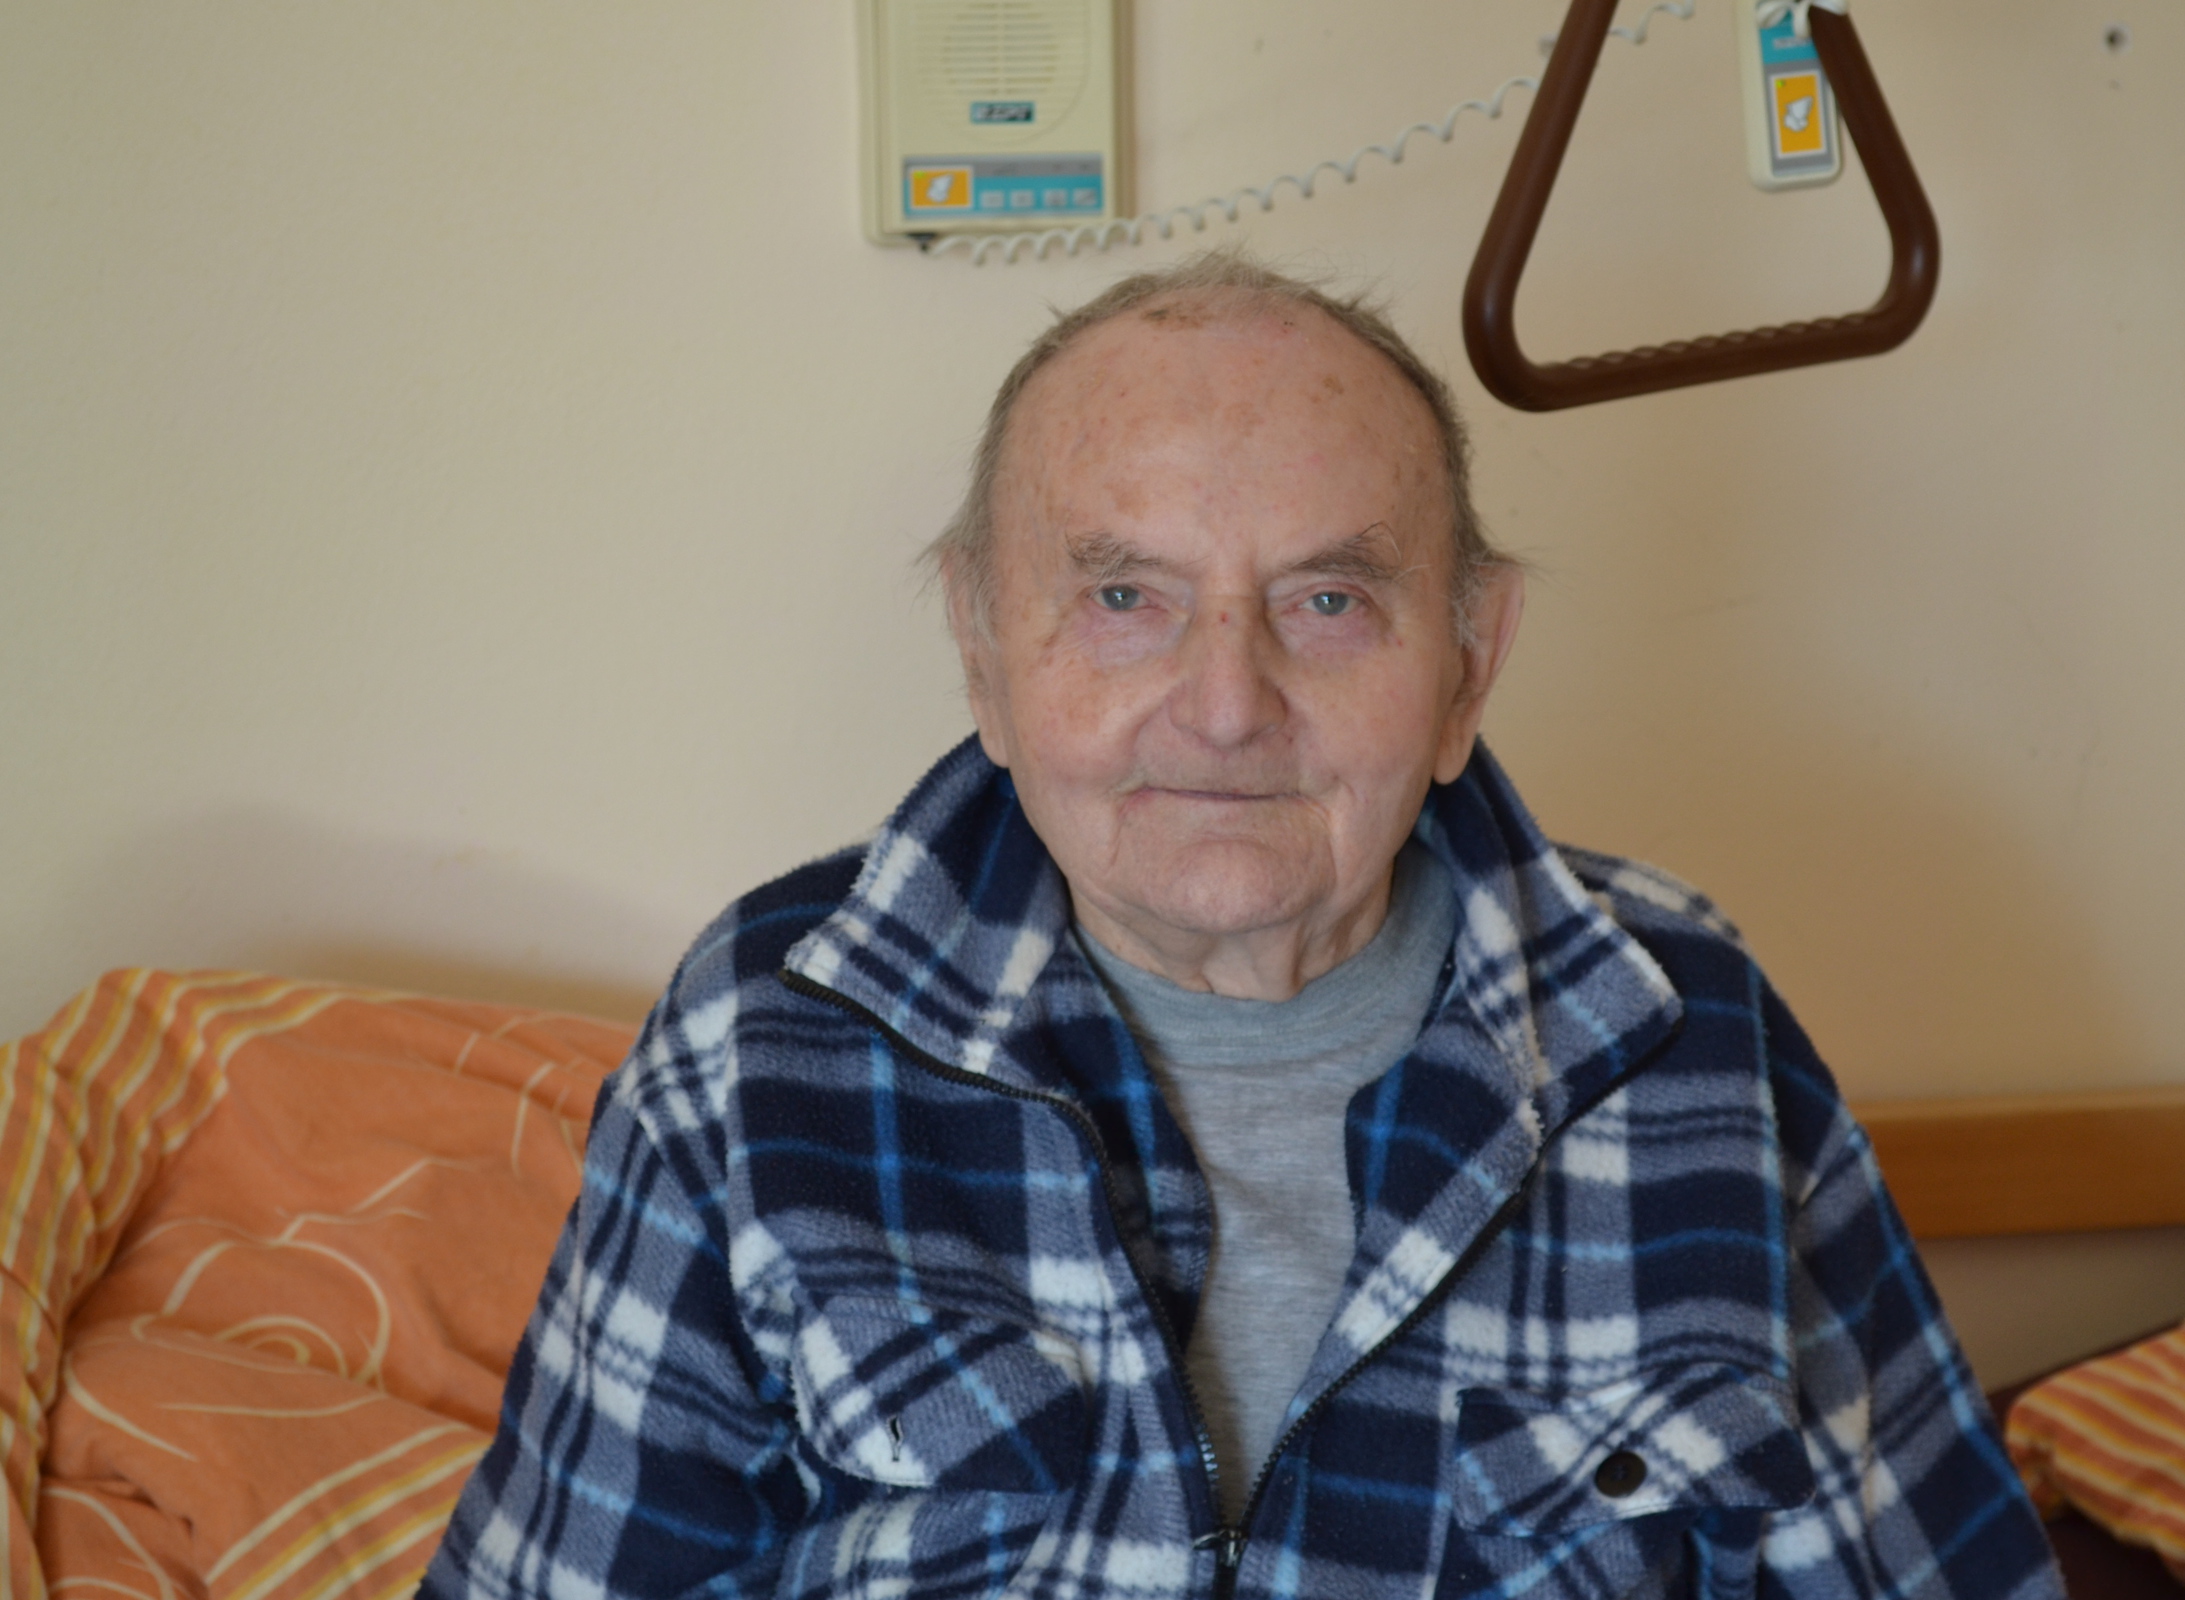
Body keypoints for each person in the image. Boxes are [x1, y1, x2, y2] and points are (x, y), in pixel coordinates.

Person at [420, 252, 2063, 1600]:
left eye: (1327, 600)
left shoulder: (1684, 1024)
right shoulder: (766, 1030)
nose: (1225, 705)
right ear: (984, 652)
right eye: (1123, 598)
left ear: (1467, 667)